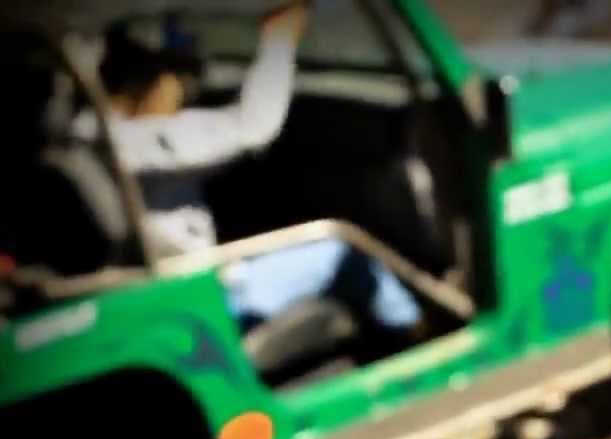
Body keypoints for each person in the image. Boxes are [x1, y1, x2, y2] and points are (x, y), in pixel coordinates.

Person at [77, 2, 422, 335]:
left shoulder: (86, 134)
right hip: (201, 300)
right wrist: (280, 39)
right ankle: (422, 338)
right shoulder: (134, 141)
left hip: (162, 290)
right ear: (146, 83)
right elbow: (255, 125)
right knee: (341, 250)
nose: (182, 95)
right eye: (176, 80)